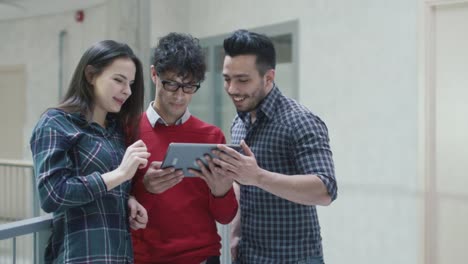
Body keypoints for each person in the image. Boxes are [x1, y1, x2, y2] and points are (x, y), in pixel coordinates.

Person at [211, 30, 338, 263]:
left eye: (242, 80)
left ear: (268, 78)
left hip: (293, 258)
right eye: (227, 79)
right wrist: (236, 234)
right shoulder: (238, 122)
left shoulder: (300, 120)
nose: (232, 89)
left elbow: (325, 189)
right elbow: (242, 185)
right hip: (249, 255)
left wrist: (259, 176)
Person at [30, 40, 150, 263]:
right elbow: (52, 194)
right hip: (79, 256)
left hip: (118, 255)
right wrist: (120, 174)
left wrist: (127, 200)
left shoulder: (115, 131)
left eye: (131, 83)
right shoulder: (55, 122)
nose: (127, 91)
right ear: (91, 75)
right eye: (118, 80)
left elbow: (105, 187)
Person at [130, 33, 238, 264]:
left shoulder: (211, 137)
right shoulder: (127, 132)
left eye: (189, 86)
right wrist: (144, 188)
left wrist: (221, 192)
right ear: (153, 75)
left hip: (202, 257)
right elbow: (112, 208)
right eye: (171, 84)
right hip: (145, 258)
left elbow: (226, 216)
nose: (179, 96)